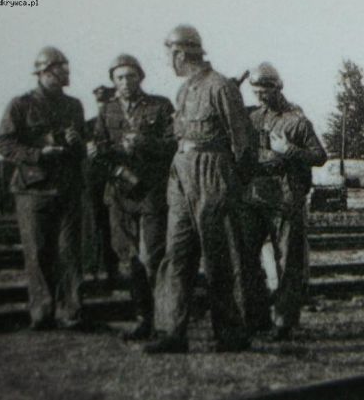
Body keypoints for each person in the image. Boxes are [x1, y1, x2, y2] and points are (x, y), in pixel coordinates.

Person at [145, 24, 255, 353]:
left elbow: (243, 142)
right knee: (176, 254)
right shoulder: (184, 91)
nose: (168, 61)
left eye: (170, 54)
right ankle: (171, 332)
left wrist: (234, 185)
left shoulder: (220, 87)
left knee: (219, 256)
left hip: (213, 172)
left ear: (181, 54)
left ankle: (230, 332)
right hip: (181, 172)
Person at [0, 46, 86, 330]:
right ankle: (43, 315)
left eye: (66, 68)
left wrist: (76, 142)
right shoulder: (20, 105)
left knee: (70, 252)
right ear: (45, 72)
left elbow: (82, 149)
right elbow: (4, 143)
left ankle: (72, 313)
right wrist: (38, 154)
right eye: (61, 69)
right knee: (37, 253)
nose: (66, 74)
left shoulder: (74, 105)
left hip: (67, 188)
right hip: (33, 190)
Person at [89, 54, 175, 340]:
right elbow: (100, 150)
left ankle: (164, 319)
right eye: (120, 77)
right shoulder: (107, 111)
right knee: (128, 258)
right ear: (113, 81)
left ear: (140, 77)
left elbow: (174, 144)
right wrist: (104, 157)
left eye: (131, 76)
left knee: (153, 257)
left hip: (151, 193)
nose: (125, 82)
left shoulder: (160, 106)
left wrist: (145, 142)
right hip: (119, 193)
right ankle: (143, 318)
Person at [243, 62, 327, 340]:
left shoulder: (296, 121)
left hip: (285, 198)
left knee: (288, 261)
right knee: (246, 256)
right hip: (255, 196)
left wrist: (289, 150)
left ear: (277, 88)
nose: (260, 96)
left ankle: (284, 321)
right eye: (255, 91)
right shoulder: (252, 118)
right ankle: (257, 317)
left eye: (264, 91)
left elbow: (319, 156)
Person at [83, 85, 119, 285]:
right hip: (92, 182)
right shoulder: (87, 126)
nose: (103, 106)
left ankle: (112, 270)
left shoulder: (118, 124)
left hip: (114, 179)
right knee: (92, 225)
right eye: (100, 102)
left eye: (107, 101)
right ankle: (92, 268)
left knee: (113, 226)